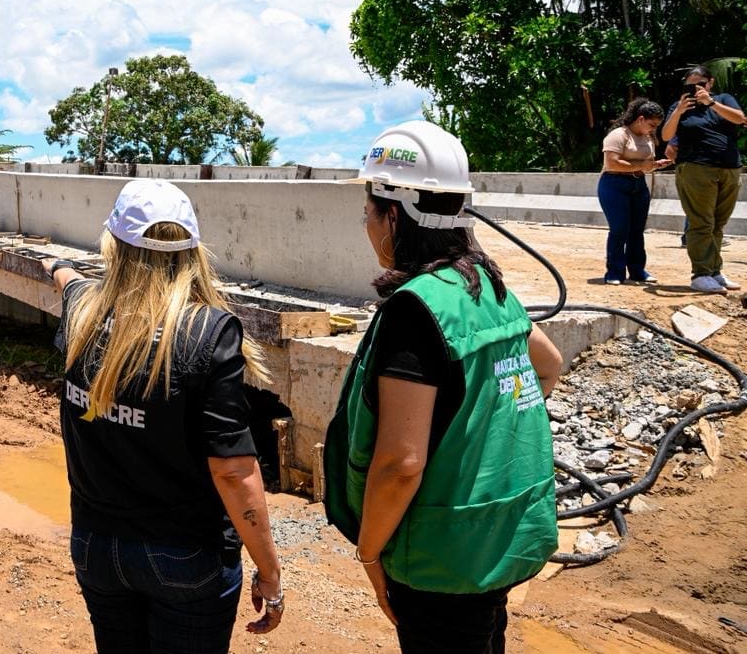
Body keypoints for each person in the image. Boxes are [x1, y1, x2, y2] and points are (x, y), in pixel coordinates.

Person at [324, 121, 563, 653]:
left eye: (368, 211)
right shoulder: (486, 283)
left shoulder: (415, 310)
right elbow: (547, 366)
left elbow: (400, 465)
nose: (366, 225)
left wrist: (369, 553)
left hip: (441, 559)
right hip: (501, 536)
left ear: (395, 213)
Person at [44, 178, 284, 653]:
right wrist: (270, 572)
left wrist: (58, 266)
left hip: (96, 546)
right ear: (192, 253)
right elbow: (234, 471)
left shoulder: (83, 312)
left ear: (113, 245)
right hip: (185, 555)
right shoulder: (209, 331)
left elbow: (70, 283)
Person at [660, 65, 746, 293]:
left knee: (719, 223)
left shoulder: (724, 99)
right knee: (701, 222)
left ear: (710, 83)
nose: (695, 88)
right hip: (696, 168)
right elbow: (666, 136)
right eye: (690, 84)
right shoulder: (679, 106)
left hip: (729, 167)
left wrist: (711, 103)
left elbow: (739, 119)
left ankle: (715, 271)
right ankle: (700, 274)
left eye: (699, 83)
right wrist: (678, 111)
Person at [597, 98, 671, 285]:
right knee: (620, 229)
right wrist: (642, 165)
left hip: (638, 185)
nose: (653, 129)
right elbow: (611, 163)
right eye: (651, 124)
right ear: (640, 119)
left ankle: (637, 270)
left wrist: (655, 165)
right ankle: (614, 272)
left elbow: (645, 165)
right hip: (614, 184)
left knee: (637, 230)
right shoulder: (619, 135)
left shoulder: (648, 139)